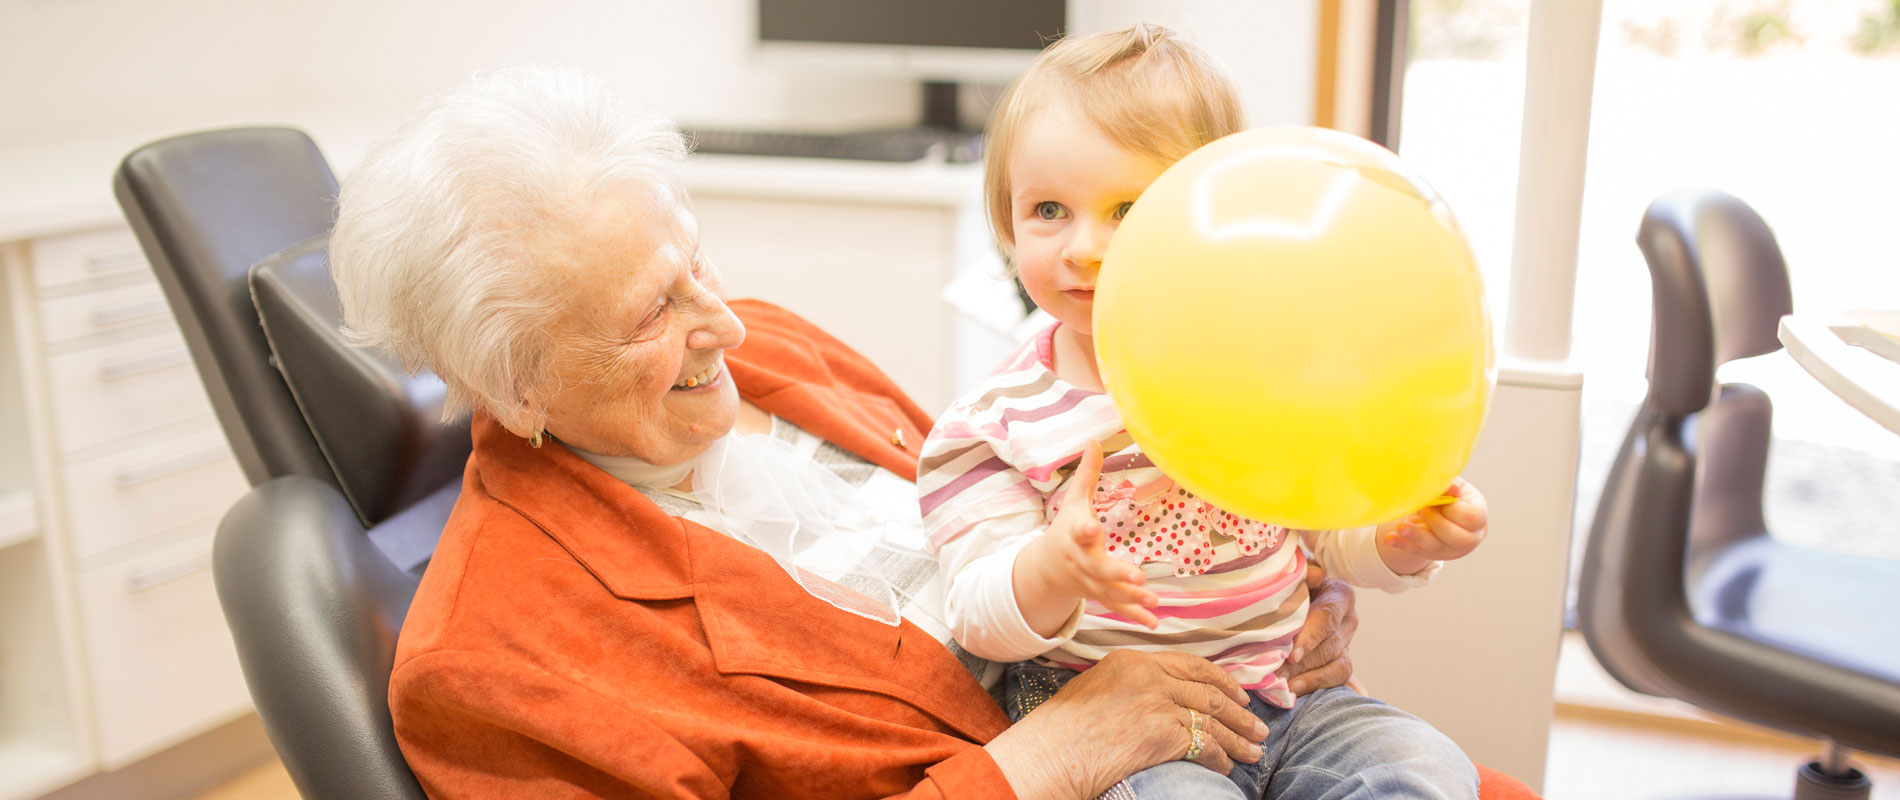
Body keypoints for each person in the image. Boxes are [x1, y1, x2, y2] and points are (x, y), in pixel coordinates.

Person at [326, 65, 1373, 800]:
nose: (725, 324)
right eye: (652, 313)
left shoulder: (768, 347)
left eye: (696, 259)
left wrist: (1256, 598)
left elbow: (1002, 507)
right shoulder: (494, 663)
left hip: (1214, 706)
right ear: (507, 387)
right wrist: (1039, 764)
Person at [917, 25, 1488, 799]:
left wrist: (1399, 538)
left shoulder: (1268, 374)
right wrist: (1051, 568)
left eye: (1128, 209)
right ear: (1007, 222)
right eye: (1049, 209)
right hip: (1137, 740)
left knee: (1426, 767)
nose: (1084, 247)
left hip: (1292, 700)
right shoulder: (992, 424)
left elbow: (1321, 527)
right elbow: (976, 615)